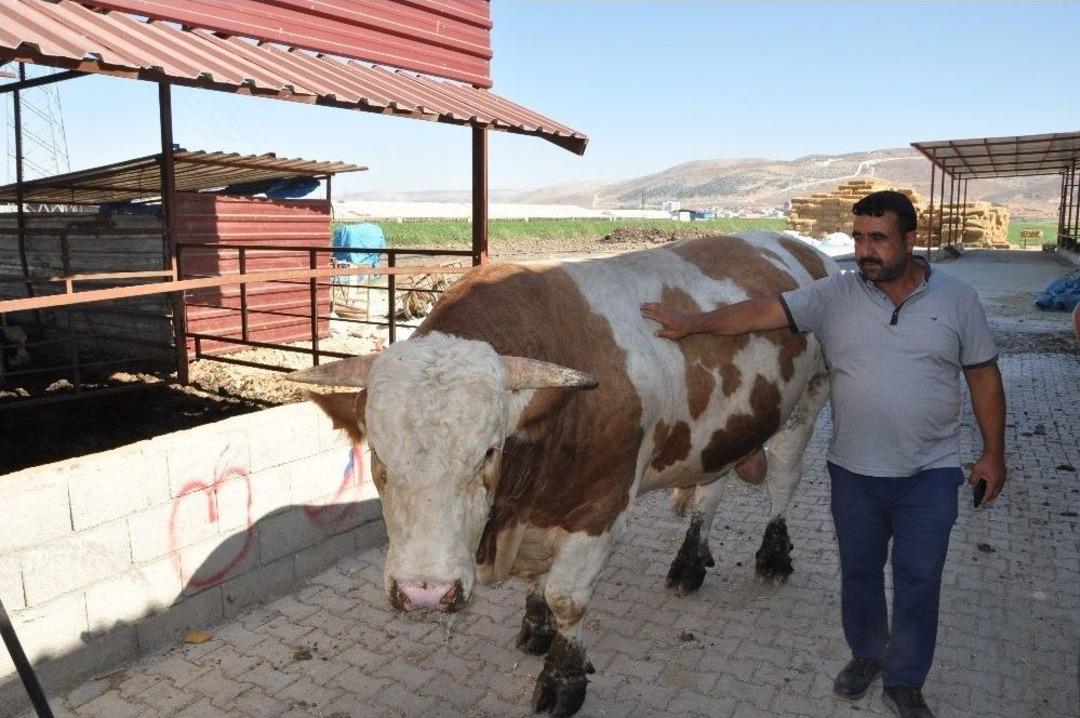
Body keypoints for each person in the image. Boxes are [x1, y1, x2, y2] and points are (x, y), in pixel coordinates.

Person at [640, 191, 1006, 718]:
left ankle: (905, 680)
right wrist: (693, 323)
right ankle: (866, 655)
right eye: (857, 238)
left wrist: (994, 453)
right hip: (855, 470)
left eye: (877, 238)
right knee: (858, 574)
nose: (864, 250)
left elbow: (983, 377)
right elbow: (761, 313)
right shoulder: (836, 295)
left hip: (932, 470)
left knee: (919, 578)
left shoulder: (958, 300)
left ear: (911, 239)